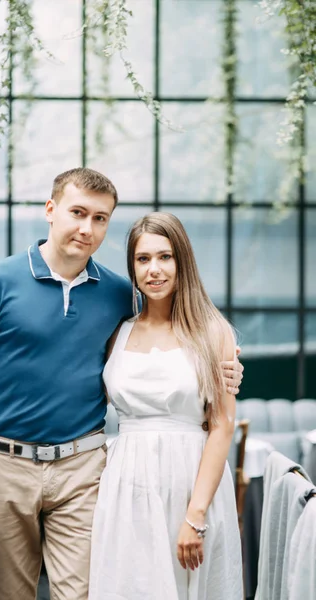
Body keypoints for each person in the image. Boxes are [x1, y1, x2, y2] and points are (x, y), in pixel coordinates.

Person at [0, 168, 243, 600]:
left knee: (86, 593)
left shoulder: (121, 295)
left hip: (83, 468)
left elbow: (167, 351)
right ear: (50, 209)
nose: (87, 227)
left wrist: (227, 368)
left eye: (100, 218)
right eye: (77, 212)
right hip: (2, 463)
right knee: (7, 594)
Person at [88, 212, 243, 600]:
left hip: (190, 482)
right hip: (126, 485)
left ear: (182, 262)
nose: (154, 270)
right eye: (143, 259)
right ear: (132, 267)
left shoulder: (212, 331)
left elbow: (222, 427)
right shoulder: (118, 332)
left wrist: (196, 516)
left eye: (165, 257)